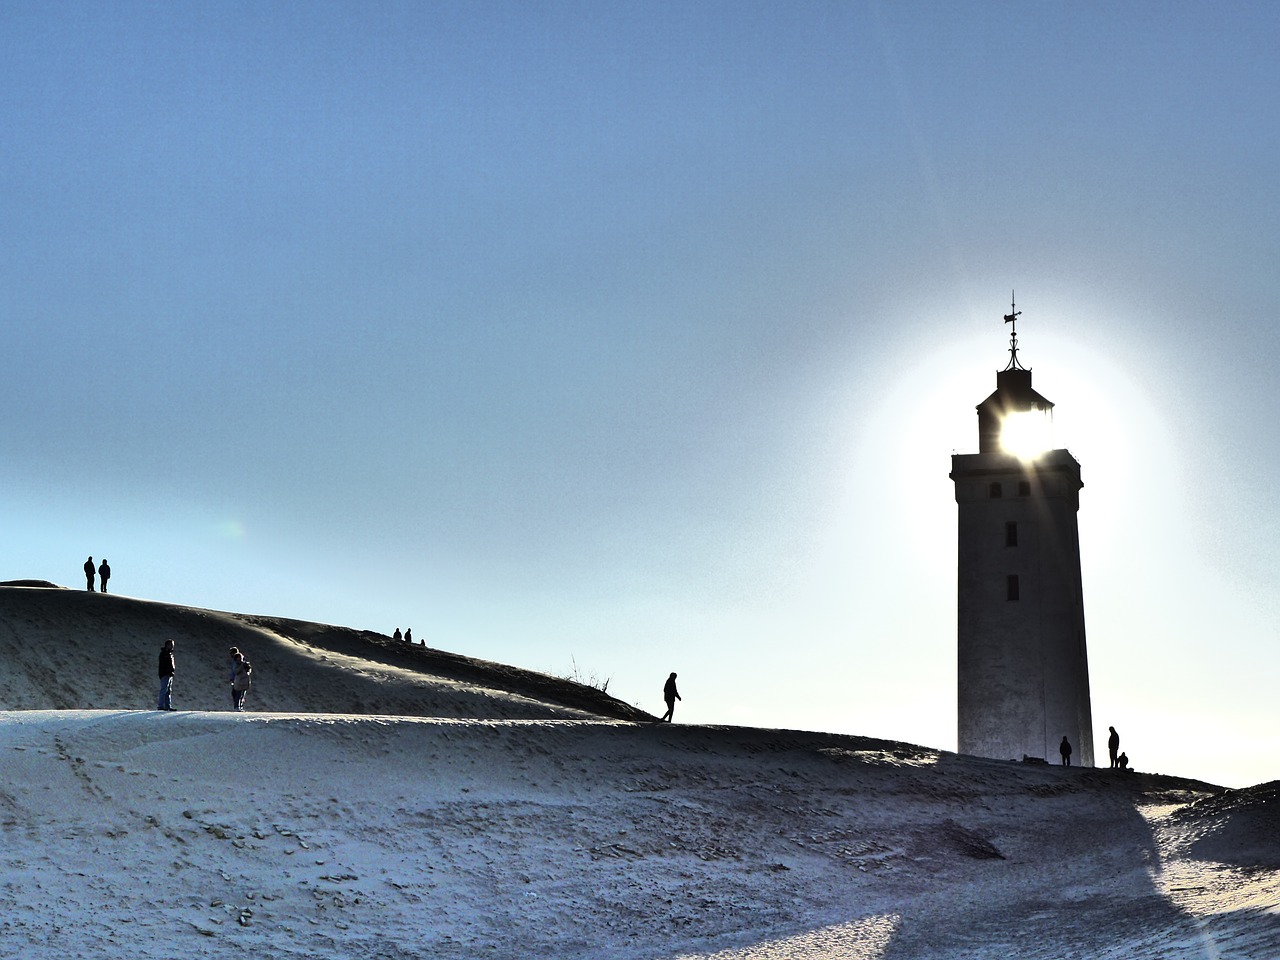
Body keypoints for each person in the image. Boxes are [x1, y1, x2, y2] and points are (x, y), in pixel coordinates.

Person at [157, 639, 176, 711]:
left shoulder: (169, 654)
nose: (172, 646)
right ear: (167, 645)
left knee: (168, 690)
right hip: (165, 674)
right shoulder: (164, 654)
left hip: (169, 674)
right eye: (171, 645)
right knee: (164, 689)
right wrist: (168, 672)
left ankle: (167, 706)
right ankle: (161, 705)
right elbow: (164, 665)